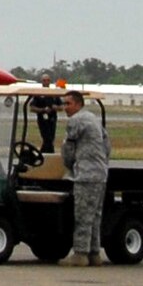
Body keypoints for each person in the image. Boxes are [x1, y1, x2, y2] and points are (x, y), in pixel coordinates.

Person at [61, 91, 111, 267]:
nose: (64, 108)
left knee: (82, 216)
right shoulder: (93, 118)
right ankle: (94, 253)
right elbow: (106, 143)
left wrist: (68, 165)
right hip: (100, 174)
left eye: (68, 104)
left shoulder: (76, 121)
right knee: (95, 217)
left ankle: (80, 253)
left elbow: (68, 148)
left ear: (77, 104)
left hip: (86, 175)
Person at [33, 73, 62, 154]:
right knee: (47, 138)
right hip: (42, 119)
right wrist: (43, 110)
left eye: (48, 80)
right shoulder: (38, 94)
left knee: (51, 139)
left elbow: (61, 106)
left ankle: (45, 154)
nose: (46, 82)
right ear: (41, 82)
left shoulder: (54, 93)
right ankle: (47, 154)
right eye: (44, 80)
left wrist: (56, 107)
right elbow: (32, 107)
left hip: (52, 119)